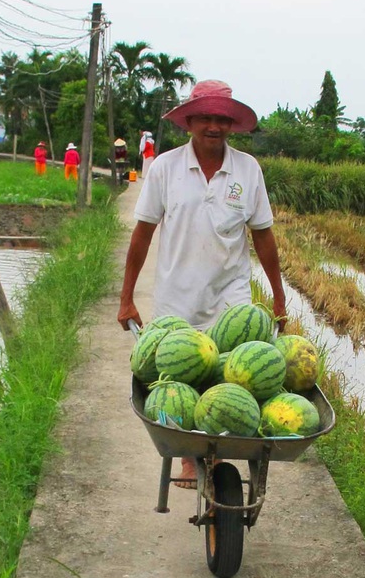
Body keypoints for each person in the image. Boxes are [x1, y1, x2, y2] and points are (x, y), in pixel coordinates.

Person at [117, 79, 287, 488]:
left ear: (232, 125)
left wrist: (279, 298)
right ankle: (191, 458)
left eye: (222, 119)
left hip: (232, 299)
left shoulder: (247, 169)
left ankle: (227, 448)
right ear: (189, 122)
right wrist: (126, 298)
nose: (214, 125)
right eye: (206, 118)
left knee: (233, 382)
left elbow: (263, 236)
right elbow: (142, 235)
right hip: (177, 297)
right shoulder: (165, 168)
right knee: (179, 384)